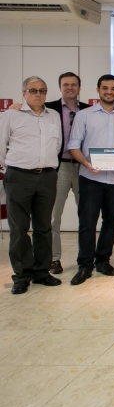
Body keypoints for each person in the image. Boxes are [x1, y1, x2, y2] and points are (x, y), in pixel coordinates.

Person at [68, 75, 114, 285]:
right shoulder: (84, 116)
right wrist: (86, 164)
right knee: (87, 223)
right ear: (97, 90)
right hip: (90, 177)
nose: (109, 92)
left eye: (113, 89)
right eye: (105, 88)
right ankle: (85, 266)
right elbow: (74, 146)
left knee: (111, 223)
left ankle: (103, 261)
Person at [0, 76, 62, 294]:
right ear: (24, 93)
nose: (38, 94)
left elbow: (57, 145)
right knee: (18, 228)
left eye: (42, 91)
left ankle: (42, 272)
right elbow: (1, 146)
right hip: (19, 176)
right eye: (33, 90)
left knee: (44, 227)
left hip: (46, 177)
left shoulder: (53, 116)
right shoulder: (11, 115)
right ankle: (22, 275)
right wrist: (12, 168)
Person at [45, 72, 89, 274]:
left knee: (86, 215)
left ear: (79, 88)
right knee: (54, 216)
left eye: (73, 84)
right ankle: (54, 259)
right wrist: (16, 107)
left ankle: (86, 258)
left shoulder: (90, 110)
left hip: (84, 167)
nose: (70, 88)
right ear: (60, 87)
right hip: (60, 166)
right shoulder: (48, 109)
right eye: (66, 84)